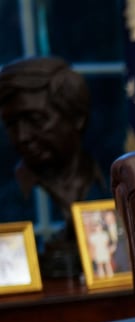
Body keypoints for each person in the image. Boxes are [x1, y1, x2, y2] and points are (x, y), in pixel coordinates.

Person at [0, 56, 105, 231]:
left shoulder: (112, 182)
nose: (22, 136)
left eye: (36, 120)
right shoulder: (9, 199)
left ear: (77, 117)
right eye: (11, 125)